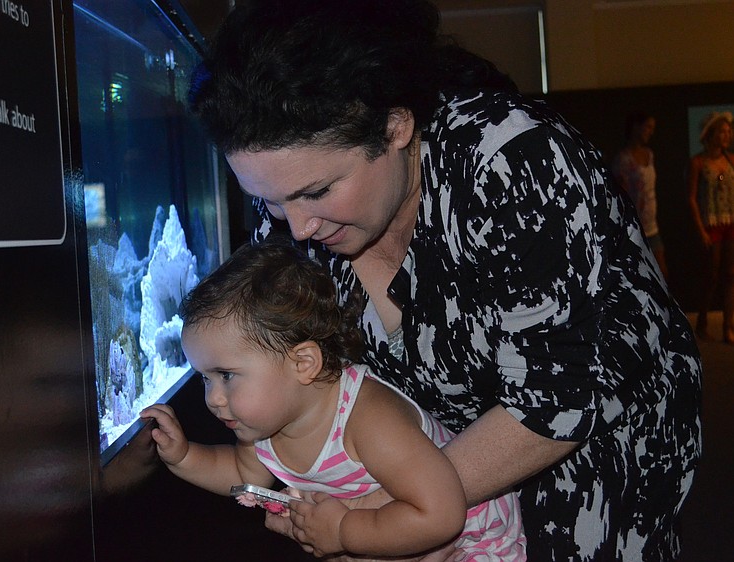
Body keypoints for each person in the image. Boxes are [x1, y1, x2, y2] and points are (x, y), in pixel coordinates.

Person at [187, 1, 703, 560]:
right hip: (428, 445)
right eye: (268, 199)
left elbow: (553, 402)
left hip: (593, 428)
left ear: (395, 126)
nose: (298, 225)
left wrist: (389, 513)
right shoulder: (291, 213)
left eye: (316, 191)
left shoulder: (511, 163)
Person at [141, 241, 527, 560]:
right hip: (393, 534)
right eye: (205, 380)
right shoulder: (263, 424)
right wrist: (185, 457)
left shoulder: (369, 421)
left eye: (225, 376)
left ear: (303, 363)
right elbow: (244, 476)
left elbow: (441, 513)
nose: (214, 399)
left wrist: (343, 531)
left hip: (472, 542)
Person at [687, 110, 734, 344]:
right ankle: (702, 322)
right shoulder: (698, 162)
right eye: (722, 131)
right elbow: (692, 197)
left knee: (731, 274)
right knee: (712, 275)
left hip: (731, 222)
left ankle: (728, 326)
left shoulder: (731, 159)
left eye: (729, 131)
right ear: (711, 134)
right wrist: (701, 230)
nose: (727, 135)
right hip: (711, 224)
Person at [611, 111, 669, 282]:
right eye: (648, 127)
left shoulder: (649, 154)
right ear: (636, 127)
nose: (650, 132)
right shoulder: (623, 159)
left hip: (651, 225)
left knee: (662, 272)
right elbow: (619, 193)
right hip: (633, 226)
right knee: (636, 275)